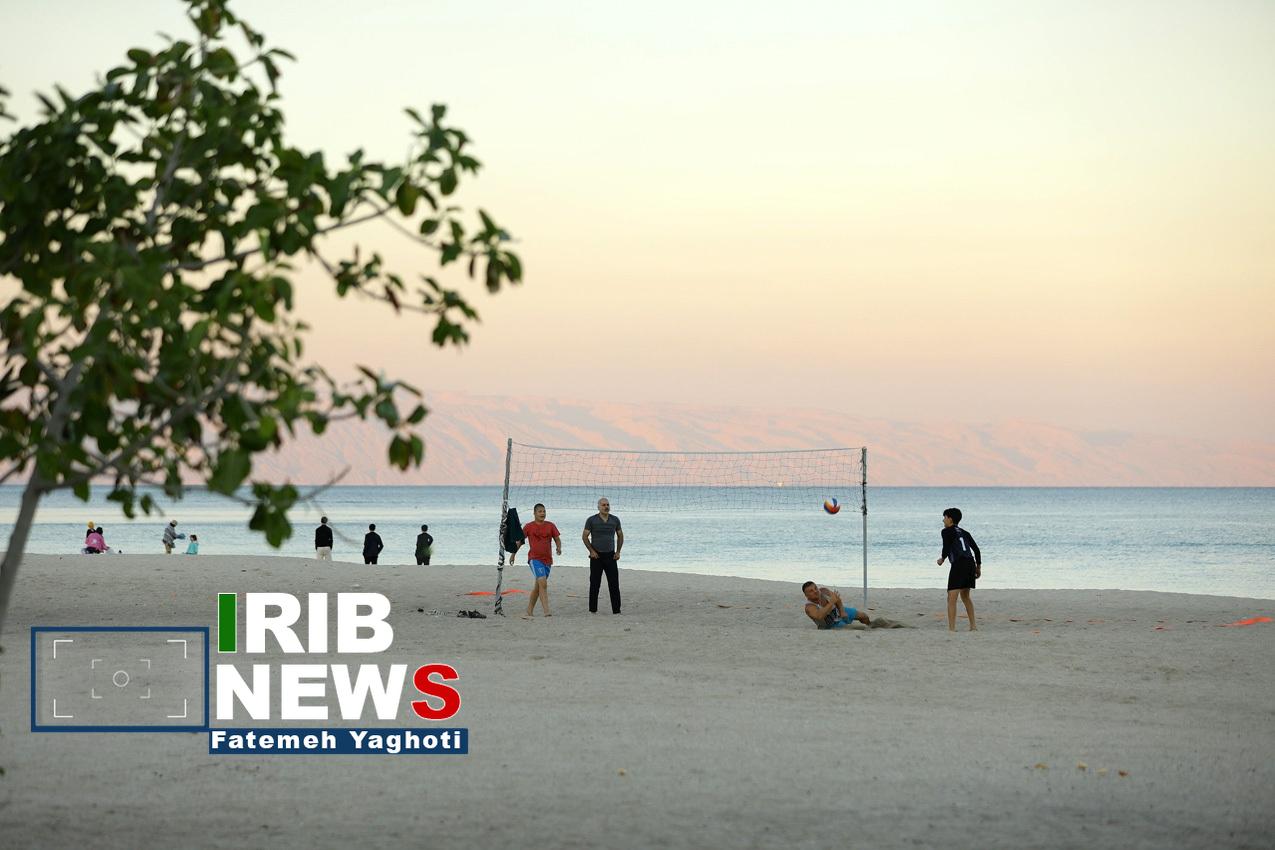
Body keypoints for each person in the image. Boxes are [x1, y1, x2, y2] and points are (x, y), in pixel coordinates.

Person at [509, 503, 561, 618]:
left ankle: (529, 611)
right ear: (534, 513)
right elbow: (520, 542)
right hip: (534, 559)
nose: (542, 513)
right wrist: (513, 555)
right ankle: (546, 611)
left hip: (547, 561)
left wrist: (558, 548)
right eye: (540, 511)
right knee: (543, 583)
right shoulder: (528, 526)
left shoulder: (551, 525)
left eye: (544, 511)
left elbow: (557, 539)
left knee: (538, 588)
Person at [937, 507, 982, 632]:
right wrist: (978, 567)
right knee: (966, 596)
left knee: (951, 597)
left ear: (950, 519)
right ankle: (973, 626)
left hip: (959, 564)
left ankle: (952, 629)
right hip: (970, 564)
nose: (943, 520)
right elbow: (976, 550)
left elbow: (946, 547)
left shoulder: (945, 531)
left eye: (945, 517)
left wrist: (942, 559)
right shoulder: (965, 532)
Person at [582, 497, 623, 614]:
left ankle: (616, 610)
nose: (606, 507)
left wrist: (618, 551)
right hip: (596, 556)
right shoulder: (591, 520)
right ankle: (592, 610)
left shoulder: (615, 520)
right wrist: (591, 551)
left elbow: (620, 535)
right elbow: (584, 536)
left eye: (607, 505)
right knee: (595, 584)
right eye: (603, 505)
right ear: (598, 507)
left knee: (614, 584)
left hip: (611, 556)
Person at [802, 581, 871, 629]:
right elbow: (819, 616)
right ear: (806, 595)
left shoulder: (824, 591)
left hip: (838, 611)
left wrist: (842, 611)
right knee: (858, 628)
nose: (815, 591)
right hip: (830, 625)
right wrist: (831, 602)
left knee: (863, 616)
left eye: (815, 588)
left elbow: (837, 599)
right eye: (811, 591)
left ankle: (870, 625)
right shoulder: (809, 607)